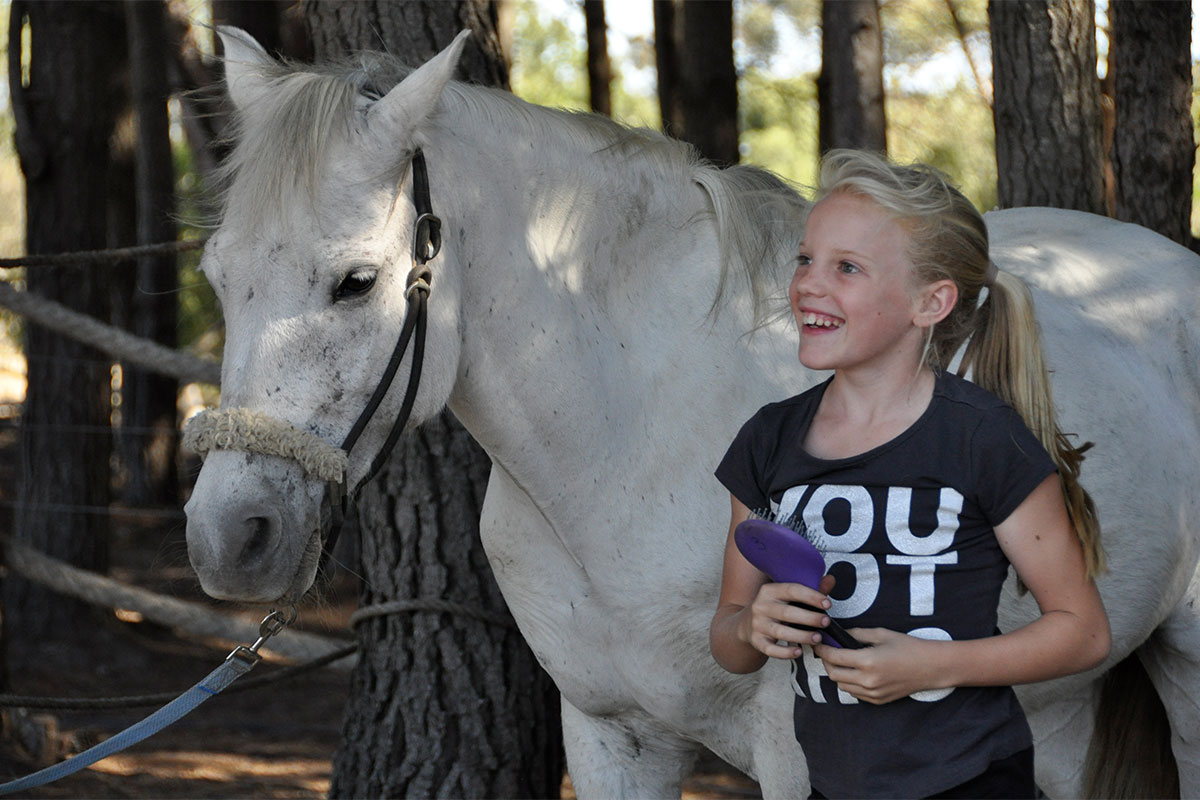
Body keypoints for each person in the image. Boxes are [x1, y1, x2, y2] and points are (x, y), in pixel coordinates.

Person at [709, 150, 1111, 799]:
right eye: (806, 259)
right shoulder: (767, 439)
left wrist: (933, 665)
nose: (810, 283)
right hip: (834, 787)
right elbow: (729, 637)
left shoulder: (981, 438)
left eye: (847, 268)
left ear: (930, 302)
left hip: (972, 781)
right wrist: (753, 624)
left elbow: (1084, 631)